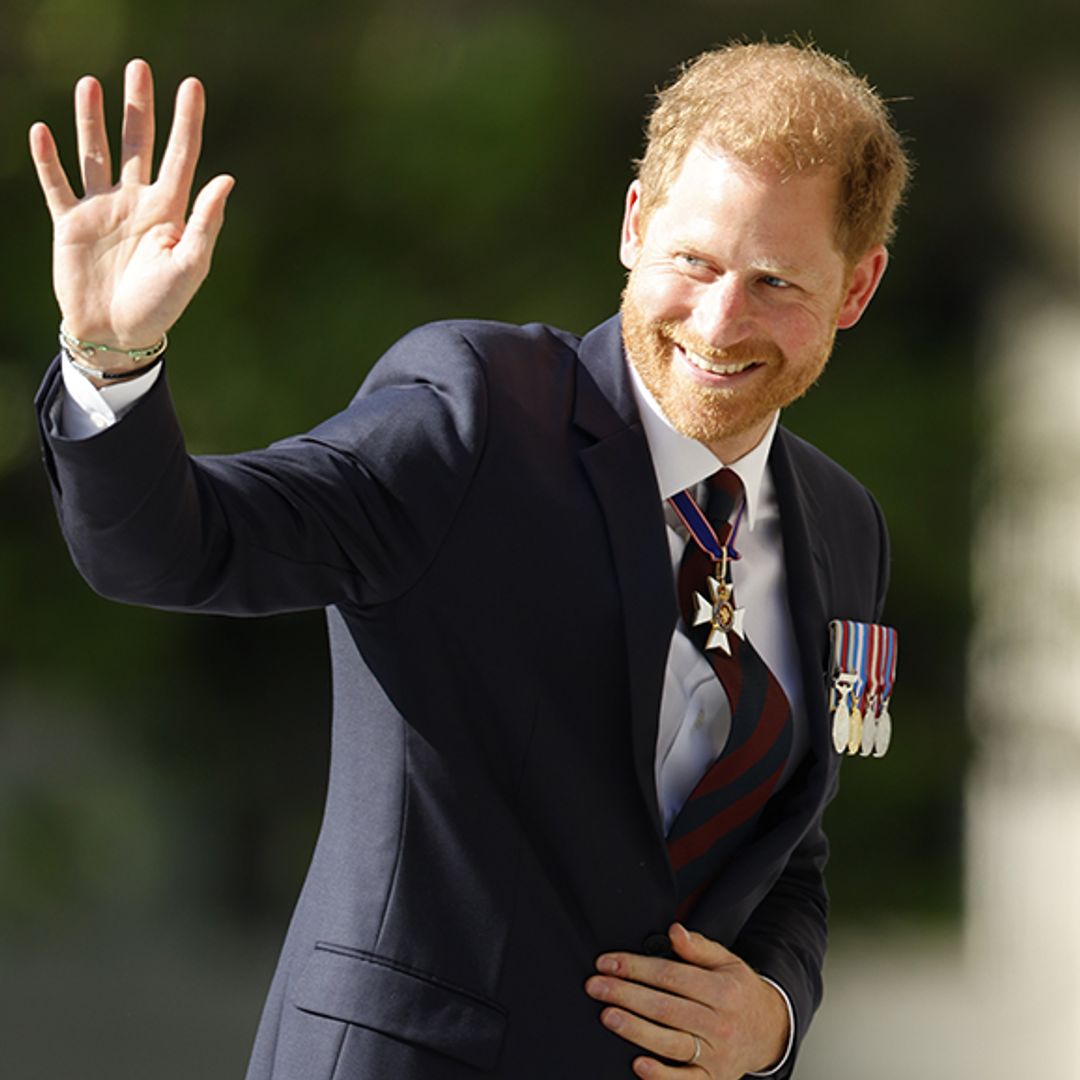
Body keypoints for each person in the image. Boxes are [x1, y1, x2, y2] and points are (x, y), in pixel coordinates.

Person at [29, 40, 908, 1080]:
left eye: (775, 282)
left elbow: (788, 854)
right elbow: (180, 550)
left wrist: (772, 1018)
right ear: (634, 227)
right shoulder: (475, 413)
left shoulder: (844, 528)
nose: (721, 321)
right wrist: (111, 361)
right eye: (696, 263)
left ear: (856, 289)